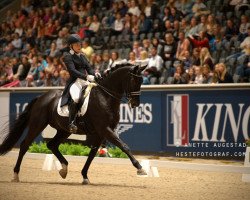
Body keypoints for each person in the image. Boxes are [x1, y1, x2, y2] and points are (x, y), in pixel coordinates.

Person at [60, 34, 98, 134]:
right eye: (76, 44)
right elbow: (72, 71)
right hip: (74, 81)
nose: (79, 45)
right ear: (71, 46)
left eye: (79, 44)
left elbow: (89, 68)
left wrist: (95, 74)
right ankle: (71, 122)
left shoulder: (82, 56)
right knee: (76, 98)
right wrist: (86, 76)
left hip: (85, 81)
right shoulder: (67, 56)